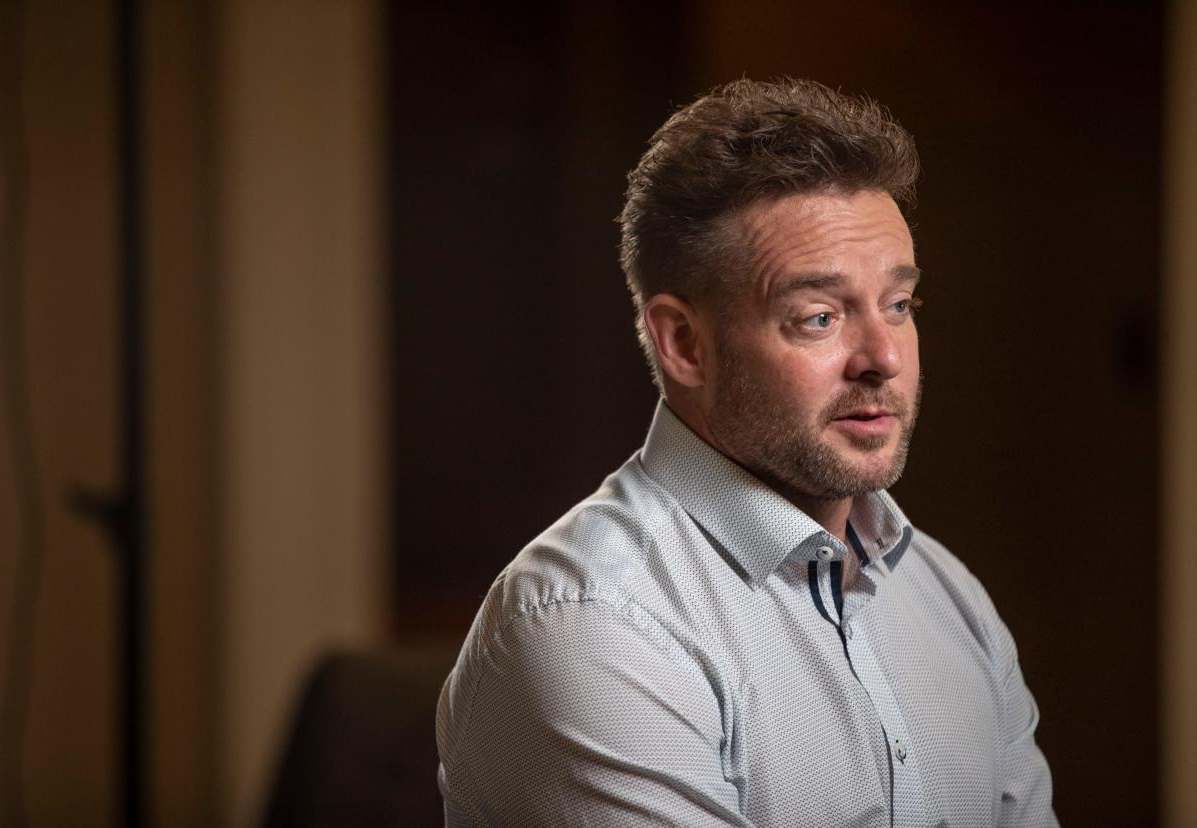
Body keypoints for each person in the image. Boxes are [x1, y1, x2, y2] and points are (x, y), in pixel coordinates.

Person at [435, 78, 1057, 827]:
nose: (884, 357)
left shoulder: (950, 599)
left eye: (899, 305)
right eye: (819, 317)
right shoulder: (589, 628)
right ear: (686, 344)